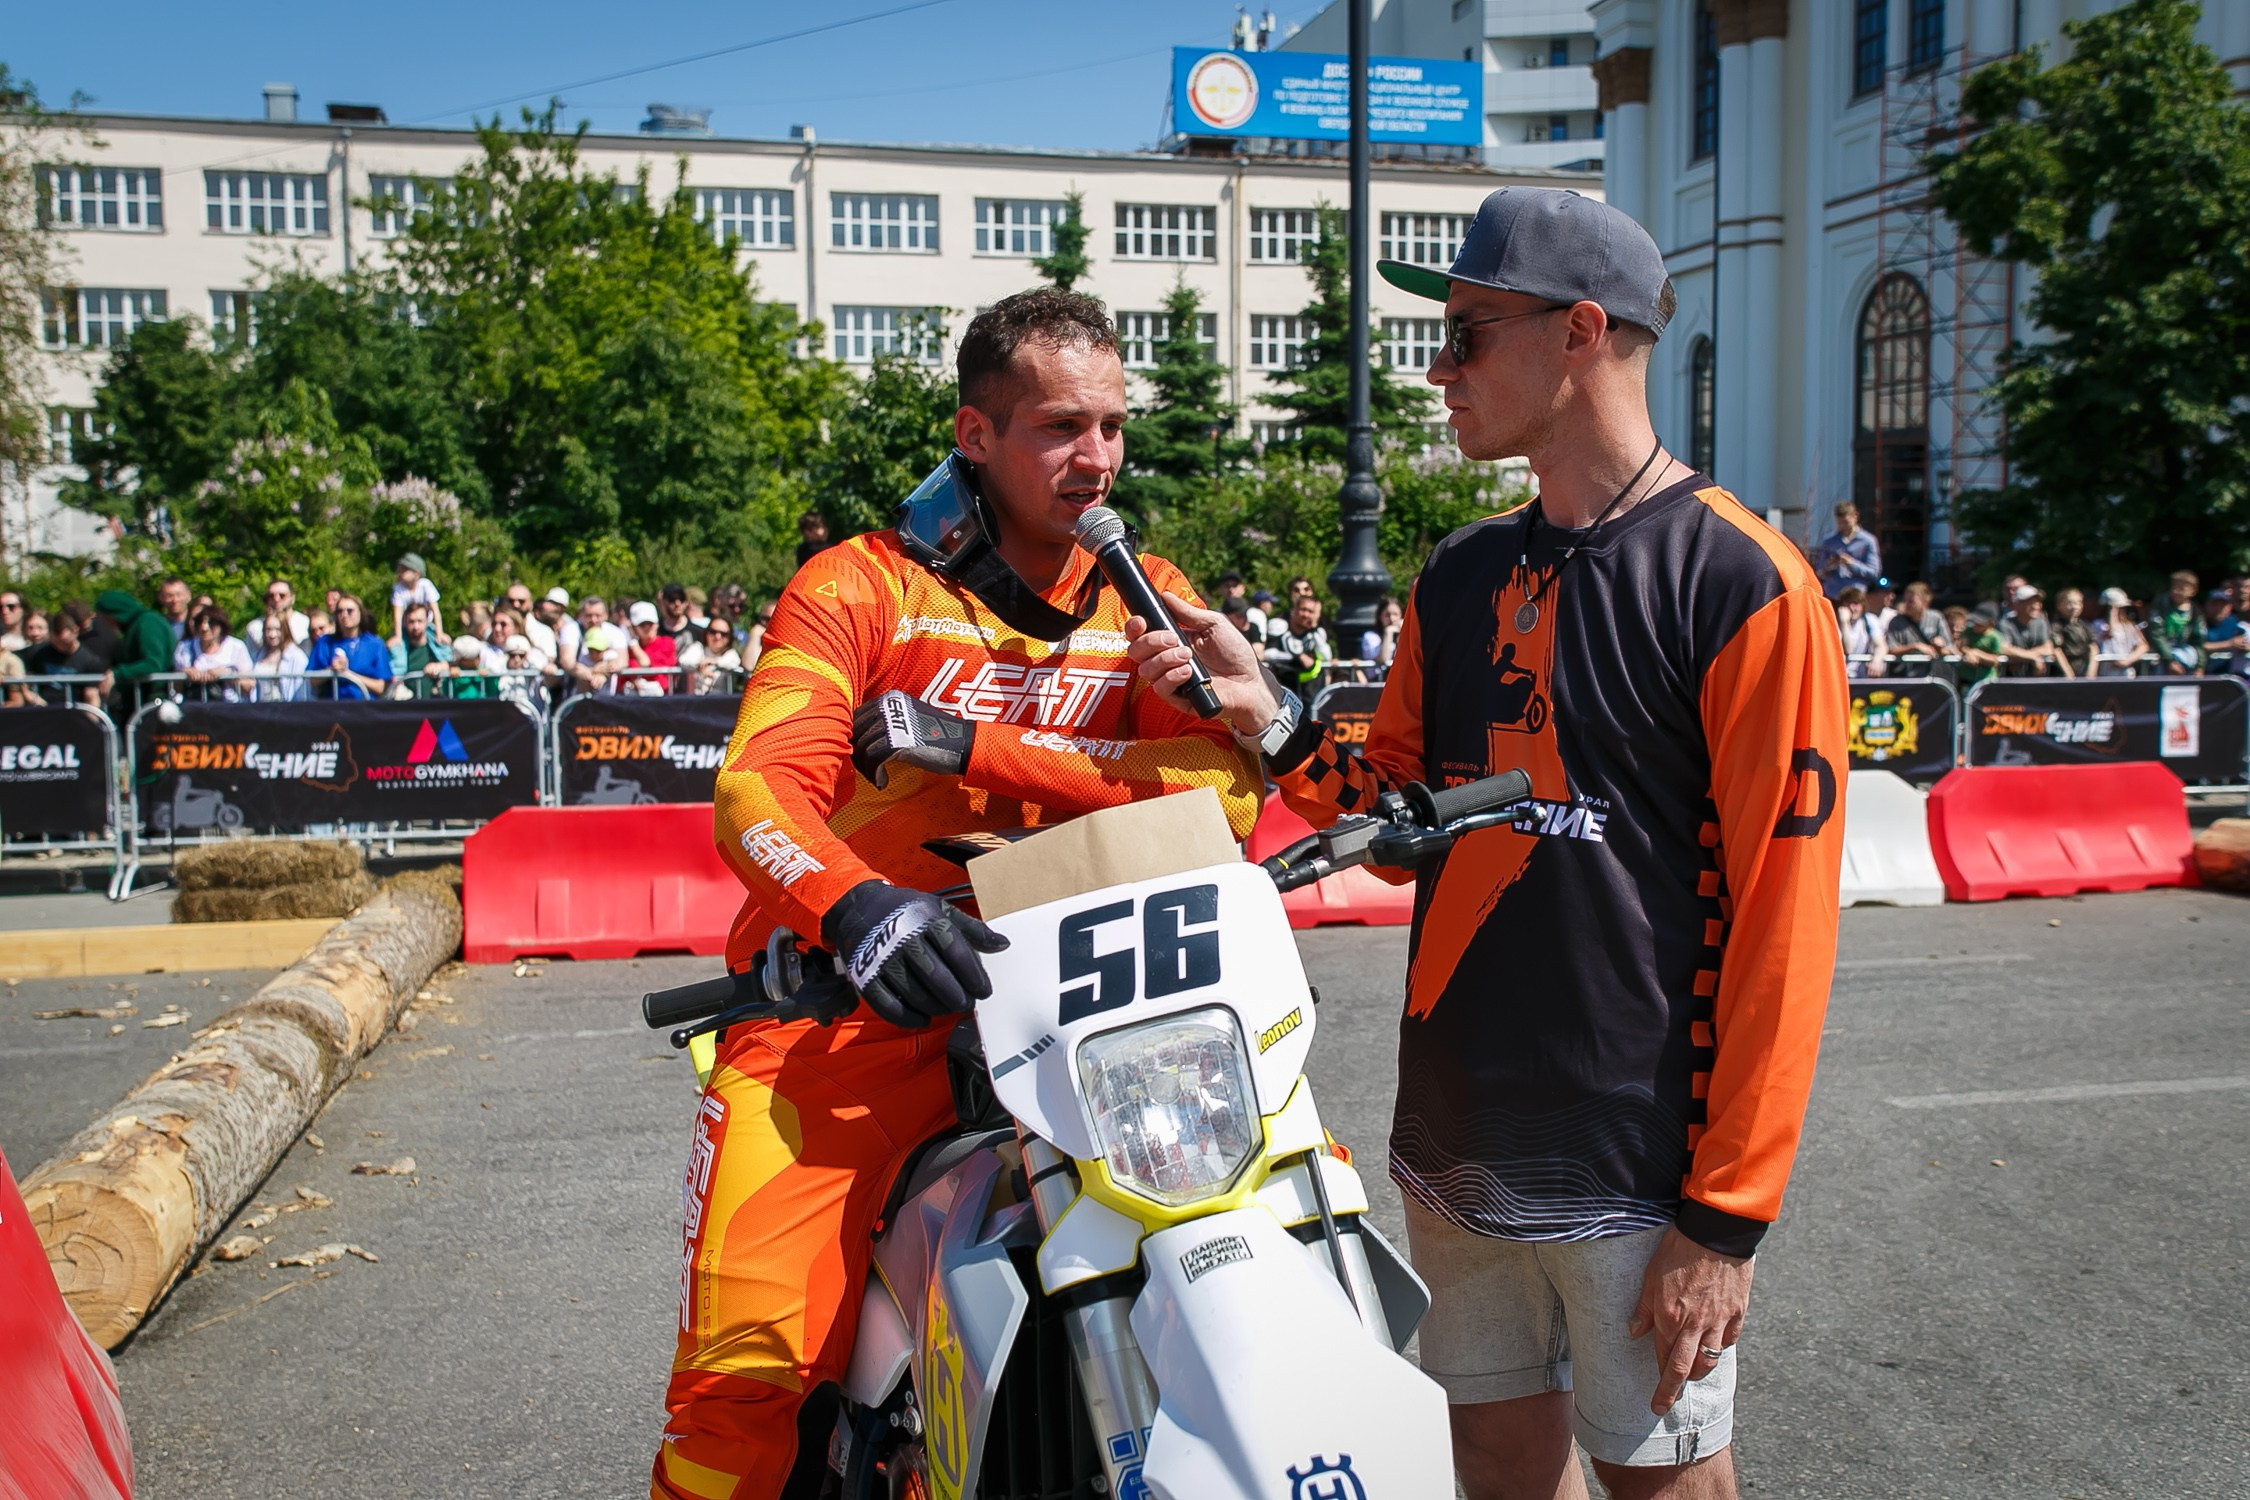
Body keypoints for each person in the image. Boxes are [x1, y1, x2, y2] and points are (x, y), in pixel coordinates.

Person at [1126, 188, 1845, 1500]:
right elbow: (1394, 835)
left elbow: (1786, 936)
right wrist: (1270, 720)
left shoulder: (1746, 584)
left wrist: (1724, 1220)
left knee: (1665, 1486)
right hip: (1451, 1153)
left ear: (1577, 332)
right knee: (1501, 1479)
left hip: (1640, 1174)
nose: (1435, 367)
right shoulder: (1454, 575)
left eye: (1465, 333)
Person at [659, 288, 1263, 1499]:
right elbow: (755, 796)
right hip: (850, 1016)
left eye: (1111, 427)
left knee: (1265, 1253)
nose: (1094, 458)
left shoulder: (1148, 592)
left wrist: (969, 746)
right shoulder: (856, 587)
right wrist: (857, 908)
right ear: (975, 436)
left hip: (1096, 1013)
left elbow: (1226, 796)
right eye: (1057, 428)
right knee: (749, 1381)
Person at [95, 590, 178, 719]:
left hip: (153, 702)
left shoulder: (148, 623)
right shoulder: (135, 626)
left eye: (105, 617)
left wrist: (117, 673)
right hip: (139, 701)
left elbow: (153, 663)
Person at [308, 595, 393, 700]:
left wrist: (349, 674)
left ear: (360, 613)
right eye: (340, 611)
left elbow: (380, 687)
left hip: (365, 707)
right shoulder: (325, 642)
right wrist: (331, 670)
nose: (344, 615)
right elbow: (311, 679)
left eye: (350, 611)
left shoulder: (375, 644)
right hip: (332, 707)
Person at [24, 604, 108, 707]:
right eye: (56, 642)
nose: (61, 647)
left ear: (75, 631)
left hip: (74, 713)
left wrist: (90, 720)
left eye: (65, 643)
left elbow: (91, 696)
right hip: (44, 711)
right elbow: (22, 679)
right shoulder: (37, 653)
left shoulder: (90, 660)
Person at [174, 605, 255, 700]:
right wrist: (185, 674)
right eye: (200, 622)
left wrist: (228, 675)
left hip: (229, 708)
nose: (204, 627)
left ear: (221, 626)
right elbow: (175, 688)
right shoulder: (185, 647)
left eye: (211, 623)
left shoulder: (236, 646)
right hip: (194, 706)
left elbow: (249, 686)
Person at [1264, 592, 1333, 695]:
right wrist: (1298, 656)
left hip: (1309, 689)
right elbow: (1268, 654)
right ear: (1294, 610)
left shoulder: (1317, 633)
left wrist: (1314, 629)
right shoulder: (1279, 626)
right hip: (1281, 685)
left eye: (1310, 612)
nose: (1306, 615)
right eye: (1303, 610)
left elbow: (1326, 656)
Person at [1811, 502, 1882, 602]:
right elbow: (1819, 572)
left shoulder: (1868, 541)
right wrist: (1830, 566)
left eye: (1846, 522)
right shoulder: (1829, 541)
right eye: (1839, 523)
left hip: (1856, 596)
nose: (1842, 526)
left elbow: (1874, 572)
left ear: (1855, 516)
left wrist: (1851, 563)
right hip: (1833, 595)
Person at [1883, 581, 1952, 676]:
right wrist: (1915, 646)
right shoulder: (1896, 622)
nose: (1907, 605)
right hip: (1905, 678)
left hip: (1932, 678)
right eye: (1905, 601)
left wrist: (1939, 647)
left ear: (1925, 603)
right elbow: (1891, 649)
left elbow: (1949, 649)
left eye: (1911, 601)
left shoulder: (1936, 618)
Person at [2148, 570, 2206, 675]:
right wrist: (2169, 660)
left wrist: (2200, 666)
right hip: (2163, 657)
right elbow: (2156, 634)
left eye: (2181, 588)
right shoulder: (2161, 605)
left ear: (2193, 591)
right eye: (2174, 587)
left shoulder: (2196, 612)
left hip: (2186, 657)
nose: (2176, 591)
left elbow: (2199, 640)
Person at [1997, 585, 2057, 677]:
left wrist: (2022, 657)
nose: (2035, 606)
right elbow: (2003, 648)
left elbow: (2048, 648)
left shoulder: (2041, 622)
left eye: (2037, 602)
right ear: (2016, 605)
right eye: (2030, 602)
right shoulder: (2005, 623)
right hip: (2010, 680)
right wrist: (2033, 657)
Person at [2091, 588, 2150, 675]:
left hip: (2126, 672)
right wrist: (2112, 615)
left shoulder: (2128, 626)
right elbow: (2110, 633)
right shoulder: (2097, 624)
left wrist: (2128, 660)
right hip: (2105, 673)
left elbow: (2143, 646)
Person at [390, 602, 444, 697]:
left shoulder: (439, 647)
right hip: (407, 707)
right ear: (405, 622)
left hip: (434, 706)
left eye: (420, 621)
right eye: (411, 621)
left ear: (427, 621)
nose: (416, 627)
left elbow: (453, 665)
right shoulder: (397, 651)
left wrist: (439, 667)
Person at [250, 617, 309, 701]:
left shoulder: (297, 656)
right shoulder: (258, 655)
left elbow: (301, 690)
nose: (272, 635)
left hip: (286, 708)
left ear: (285, 630)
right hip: (261, 708)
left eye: (277, 629)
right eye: (268, 629)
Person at [389, 553, 443, 644]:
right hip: (405, 627)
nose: (400, 572)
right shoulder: (398, 589)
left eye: (404, 570)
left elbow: (435, 610)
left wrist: (439, 632)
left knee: (440, 646)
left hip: (426, 625)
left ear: (416, 574)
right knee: (397, 650)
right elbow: (397, 615)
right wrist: (398, 636)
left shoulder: (425, 585)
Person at [624, 600, 677, 693]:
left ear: (657, 624)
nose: (647, 628)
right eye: (642, 624)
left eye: (650, 623)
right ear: (633, 627)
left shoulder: (667, 642)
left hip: (661, 700)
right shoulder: (628, 649)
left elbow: (645, 663)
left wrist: (633, 644)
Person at [1835, 586, 1888, 676]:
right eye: (1848, 604)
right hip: (1838, 676)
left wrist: (1877, 660)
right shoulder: (1833, 622)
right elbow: (1848, 649)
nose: (1853, 608)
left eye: (1856, 604)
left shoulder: (1869, 620)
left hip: (1859, 677)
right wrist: (1844, 623)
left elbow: (1881, 646)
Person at [255, 578, 311, 658]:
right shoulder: (255, 627)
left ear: (292, 598)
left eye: (282, 595)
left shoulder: (306, 623)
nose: (276, 599)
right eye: (271, 596)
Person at [687, 617, 742, 695]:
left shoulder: (731, 654)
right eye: (713, 632)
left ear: (730, 637)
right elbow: (684, 661)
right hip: (695, 702)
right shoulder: (698, 648)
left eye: (723, 634)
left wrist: (715, 662)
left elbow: (735, 663)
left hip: (720, 702)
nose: (718, 637)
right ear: (706, 633)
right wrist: (699, 666)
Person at [2050, 588, 2095, 678]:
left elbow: (2093, 647)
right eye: (2070, 603)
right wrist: (2068, 672)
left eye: (2079, 603)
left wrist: (2091, 670)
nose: (2075, 607)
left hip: (2084, 670)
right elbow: (2057, 650)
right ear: (2059, 605)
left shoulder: (2084, 625)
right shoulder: (2057, 625)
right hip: (2064, 673)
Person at [1362, 593, 1406, 679]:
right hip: (1378, 681)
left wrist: (1404, 633)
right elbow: (1383, 659)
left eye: (1395, 614)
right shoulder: (1370, 637)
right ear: (1380, 616)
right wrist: (1388, 633)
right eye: (1387, 615)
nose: (1392, 619)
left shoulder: (1403, 634)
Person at [1959, 605, 2006, 685]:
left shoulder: (1994, 637)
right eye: (1975, 622)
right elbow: (1963, 647)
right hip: (1967, 677)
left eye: (1980, 624)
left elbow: (1995, 660)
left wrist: (1977, 654)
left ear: (1991, 624)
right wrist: (1970, 653)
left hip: (1986, 679)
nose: (1976, 625)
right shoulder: (1968, 631)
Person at [2206, 588, 2246, 675]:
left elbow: (2243, 643)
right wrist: (2229, 644)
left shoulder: (2235, 623)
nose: (2218, 609)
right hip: (2205, 673)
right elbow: (2198, 647)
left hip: (2230, 675)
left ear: (2229, 607)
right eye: (2215, 605)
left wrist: (2244, 647)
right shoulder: (2200, 623)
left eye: (2222, 605)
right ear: (2207, 605)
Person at [155, 577, 192, 643]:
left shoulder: (198, 624)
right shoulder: (158, 626)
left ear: (188, 596)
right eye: (169, 596)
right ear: (160, 598)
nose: (175, 600)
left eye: (179, 595)